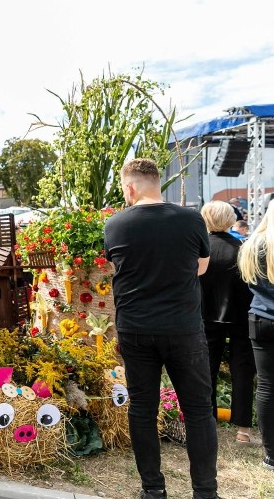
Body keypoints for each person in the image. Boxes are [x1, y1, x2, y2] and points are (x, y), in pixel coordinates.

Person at [104, 158, 219, 499]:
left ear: (129, 187)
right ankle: (205, 492)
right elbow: (201, 268)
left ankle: (153, 490)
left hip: (136, 328)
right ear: (158, 183)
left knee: (142, 408)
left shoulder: (116, 224)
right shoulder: (189, 218)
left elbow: (117, 264)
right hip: (183, 327)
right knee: (199, 410)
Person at [199, 201, 256, 445]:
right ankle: (243, 429)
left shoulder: (201, 250)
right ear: (231, 219)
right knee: (243, 371)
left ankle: (206, 422)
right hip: (242, 317)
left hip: (206, 316)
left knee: (206, 370)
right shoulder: (245, 248)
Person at [237, 201, 274, 471]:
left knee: (267, 387)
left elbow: (248, 281)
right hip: (261, 318)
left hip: (260, 318)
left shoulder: (252, 244)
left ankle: (271, 455)